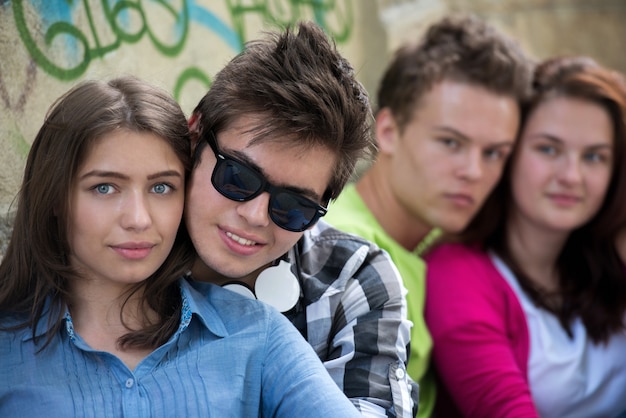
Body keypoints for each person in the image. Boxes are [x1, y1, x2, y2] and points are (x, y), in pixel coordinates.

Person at [0, 76, 363, 417]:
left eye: (161, 188)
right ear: (54, 198)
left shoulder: (257, 335)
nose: (139, 219)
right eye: (105, 187)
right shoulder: (8, 348)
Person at [185, 21, 417, 417]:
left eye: (293, 207)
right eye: (238, 177)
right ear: (195, 134)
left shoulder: (353, 277)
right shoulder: (127, 243)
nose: (255, 215)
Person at [324, 14, 533, 416]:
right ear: (387, 131)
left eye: (494, 153)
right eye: (451, 142)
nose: (473, 171)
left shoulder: (428, 246)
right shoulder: (341, 250)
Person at [425, 56, 626, 417]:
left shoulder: (611, 255)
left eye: (595, 157)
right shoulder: (456, 275)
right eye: (548, 149)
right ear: (509, 153)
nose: (572, 176)